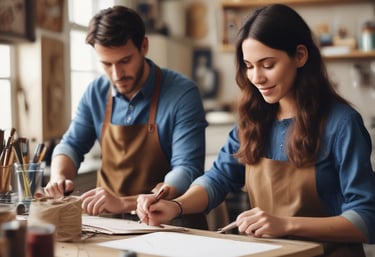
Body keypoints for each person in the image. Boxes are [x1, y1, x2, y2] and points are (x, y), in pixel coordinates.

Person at [136, 4, 375, 256]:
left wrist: (285, 224)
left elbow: (366, 218)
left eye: (268, 64)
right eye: (249, 66)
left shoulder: (342, 124)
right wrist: (176, 206)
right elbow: (218, 179)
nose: (256, 77)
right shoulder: (253, 120)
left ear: (300, 56)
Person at [44, 5, 208, 228]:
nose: (116, 74)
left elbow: (187, 169)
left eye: (124, 61)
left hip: (170, 224)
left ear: (144, 46)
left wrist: (124, 203)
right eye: (106, 64)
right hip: (110, 225)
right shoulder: (96, 92)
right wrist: (58, 177)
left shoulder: (182, 94)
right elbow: (71, 145)